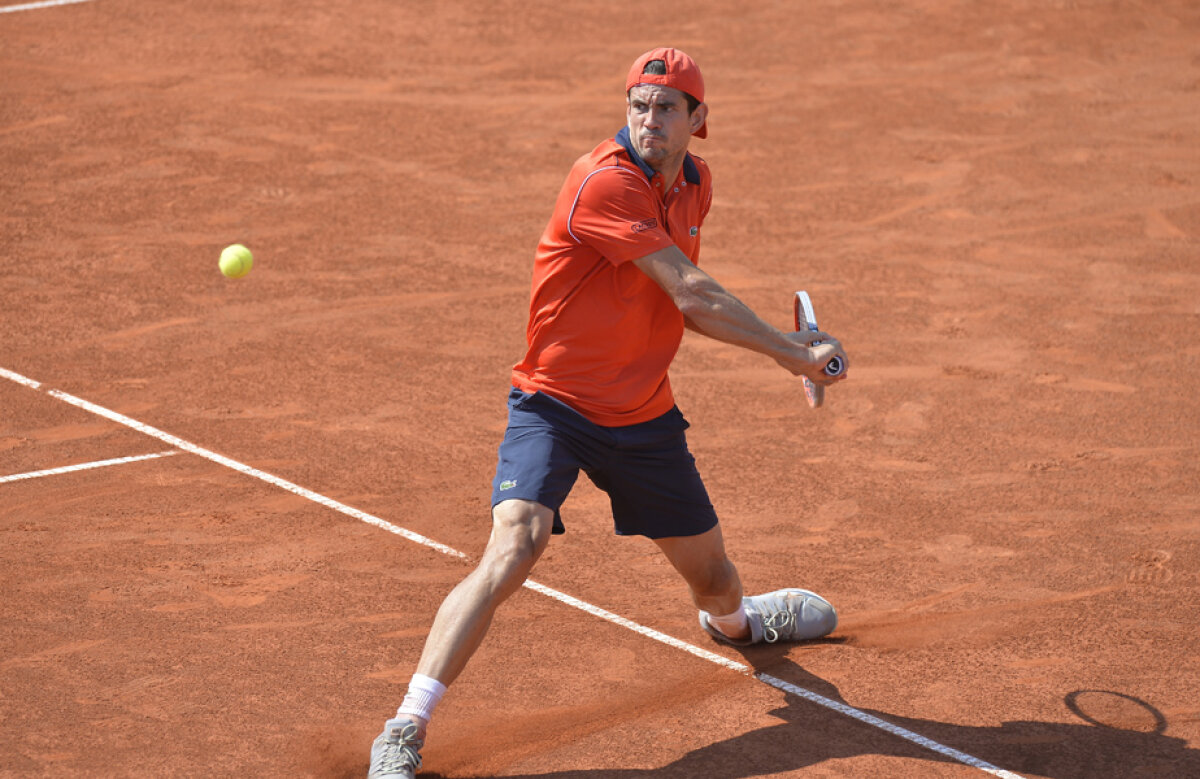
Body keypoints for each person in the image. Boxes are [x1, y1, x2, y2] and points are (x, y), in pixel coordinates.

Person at [368, 46, 849, 779]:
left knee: (715, 579)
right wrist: (791, 352)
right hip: (553, 405)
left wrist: (785, 347)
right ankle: (405, 725)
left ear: (698, 120)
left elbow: (681, 307)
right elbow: (690, 291)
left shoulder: (695, 183)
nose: (648, 119)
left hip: (643, 416)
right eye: (637, 105)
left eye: (665, 108)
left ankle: (741, 626)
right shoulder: (603, 183)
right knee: (515, 544)